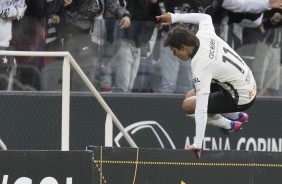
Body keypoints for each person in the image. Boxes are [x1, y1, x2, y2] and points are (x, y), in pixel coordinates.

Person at [156, 12, 257, 159]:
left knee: (188, 107)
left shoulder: (200, 65)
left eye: (174, 50)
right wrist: (174, 17)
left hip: (241, 97)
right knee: (190, 97)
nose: (174, 55)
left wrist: (198, 143)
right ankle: (237, 116)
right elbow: (205, 17)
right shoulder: (204, 34)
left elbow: (201, 109)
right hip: (247, 82)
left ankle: (229, 124)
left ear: (183, 47)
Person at [0, 0, 26, 90]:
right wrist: (14, 11)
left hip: (5, 45)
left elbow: (22, 10)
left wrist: (14, 12)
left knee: (3, 87)